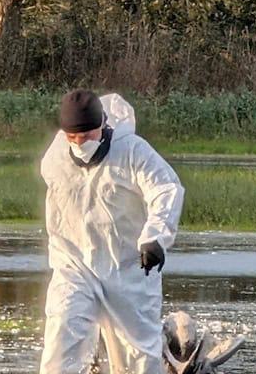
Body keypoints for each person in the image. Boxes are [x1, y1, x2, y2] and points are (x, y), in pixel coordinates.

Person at [39, 89, 185, 374]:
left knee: (138, 357)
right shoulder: (55, 158)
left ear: (102, 125)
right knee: (61, 336)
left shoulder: (132, 151)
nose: (80, 144)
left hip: (129, 269)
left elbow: (166, 190)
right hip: (74, 265)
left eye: (87, 136)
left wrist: (155, 237)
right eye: (73, 138)